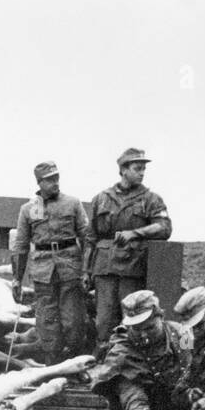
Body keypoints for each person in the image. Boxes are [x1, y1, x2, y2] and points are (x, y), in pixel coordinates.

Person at [87, 148, 172, 348]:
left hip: (132, 267)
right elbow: (90, 237)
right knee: (104, 319)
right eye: (137, 168)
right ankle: (104, 360)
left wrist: (135, 233)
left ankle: (129, 358)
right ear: (123, 170)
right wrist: (86, 270)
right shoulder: (102, 198)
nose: (142, 173)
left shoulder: (151, 199)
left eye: (143, 169)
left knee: (132, 316)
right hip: (104, 267)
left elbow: (164, 227)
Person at [12, 160, 91, 362]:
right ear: (39, 183)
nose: (55, 183)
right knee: (47, 321)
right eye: (49, 180)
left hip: (70, 268)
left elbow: (87, 238)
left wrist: (86, 271)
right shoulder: (28, 209)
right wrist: (17, 279)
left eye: (56, 178)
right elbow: (21, 246)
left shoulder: (73, 203)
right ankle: (51, 363)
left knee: (73, 321)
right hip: (42, 270)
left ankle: (75, 363)